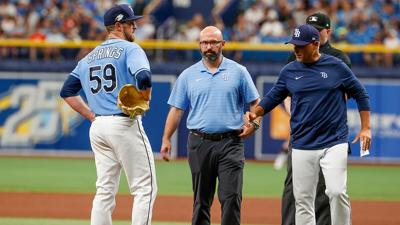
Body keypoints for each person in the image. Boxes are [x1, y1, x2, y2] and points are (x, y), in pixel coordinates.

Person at [245, 24, 371, 225]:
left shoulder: (336, 67)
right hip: (302, 143)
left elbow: (360, 93)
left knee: (336, 191)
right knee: (303, 200)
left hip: (334, 141)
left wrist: (366, 128)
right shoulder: (289, 71)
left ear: (315, 44)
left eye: (300, 46)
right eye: (293, 45)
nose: (295, 50)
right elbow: (272, 98)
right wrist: (255, 114)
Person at [59, 4, 157, 225]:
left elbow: (67, 91)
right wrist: (146, 97)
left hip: (99, 127)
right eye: (131, 22)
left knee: (104, 190)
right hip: (123, 125)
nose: (135, 26)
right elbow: (144, 77)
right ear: (119, 25)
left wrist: (90, 115)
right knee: (145, 188)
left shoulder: (89, 57)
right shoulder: (131, 49)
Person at [160, 26, 260, 225]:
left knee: (231, 197)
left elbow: (255, 102)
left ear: (222, 44)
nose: (209, 47)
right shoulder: (188, 75)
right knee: (201, 201)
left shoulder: (239, 72)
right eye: (205, 43)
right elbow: (176, 110)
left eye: (213, 42)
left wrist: (255, 123)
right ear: (199, 46)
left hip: (231, 142)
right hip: (199, 142)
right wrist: (166, 138)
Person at [282, 12, 352, 225]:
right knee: (294, 186)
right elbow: (286, 93)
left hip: (327, 135)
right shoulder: (296, 53)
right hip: (302, 133)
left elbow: (346, 95)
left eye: (319, 29)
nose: (313, 32)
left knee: (325, 188)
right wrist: (296, 115)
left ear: (328, 31)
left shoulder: (339, 58)